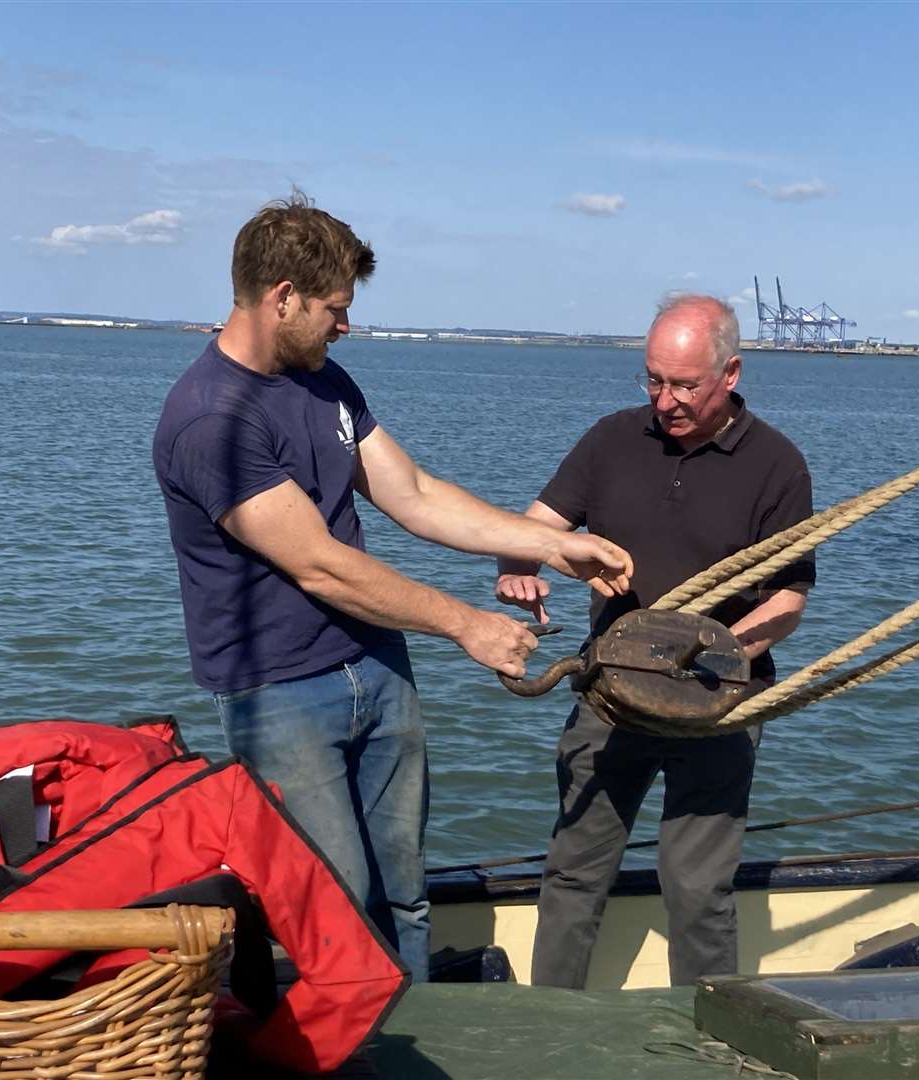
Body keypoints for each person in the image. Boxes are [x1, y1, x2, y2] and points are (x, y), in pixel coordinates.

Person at [152, 192, 633, 982]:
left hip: (375, 667)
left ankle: (413, 1034)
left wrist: (551, 544)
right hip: (279, 694)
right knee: (333, 907)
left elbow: (411, 490)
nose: (347, 324)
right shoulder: (211, 420)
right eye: (336, 309)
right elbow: (320, 564)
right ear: (282, 300)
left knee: (404, 894)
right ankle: (357, 1056)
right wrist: (467, 626)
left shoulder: (326, 381)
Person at [496, 294, 814, 988]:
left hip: (718, 710)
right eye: (653, 380)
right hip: (608, 700)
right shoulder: (612, 439)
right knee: (574, 871)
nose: (664, 399)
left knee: (697, 889)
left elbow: (788, 600)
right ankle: (551, 1026)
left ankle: (705, 1035)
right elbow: (541, 523)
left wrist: (721, 655)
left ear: (729, 374)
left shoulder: (777, 465)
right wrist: (518, 564)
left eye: (684, 385)